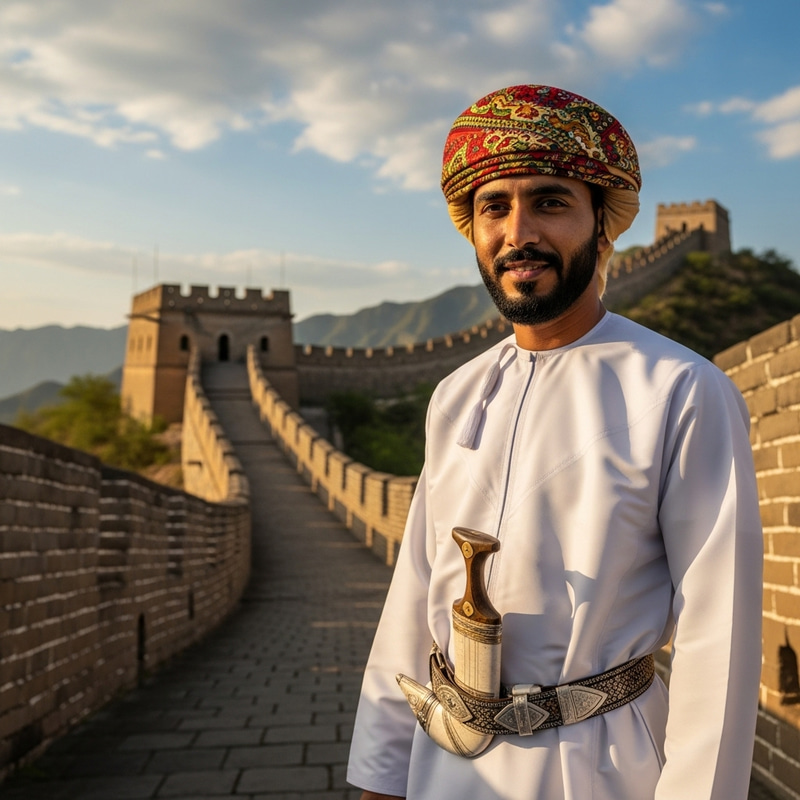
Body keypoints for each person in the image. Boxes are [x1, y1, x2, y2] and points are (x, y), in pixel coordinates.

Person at [346, 84, 763, 800]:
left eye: (549, 202)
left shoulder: (680, 389)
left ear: (603, 227)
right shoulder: (455, 395)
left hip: (597, 767)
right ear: (471, 229)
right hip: (444, 761)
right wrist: (381, 774)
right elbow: (414, 594)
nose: (518, 233)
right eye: (493, 207)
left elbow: (718, 637)